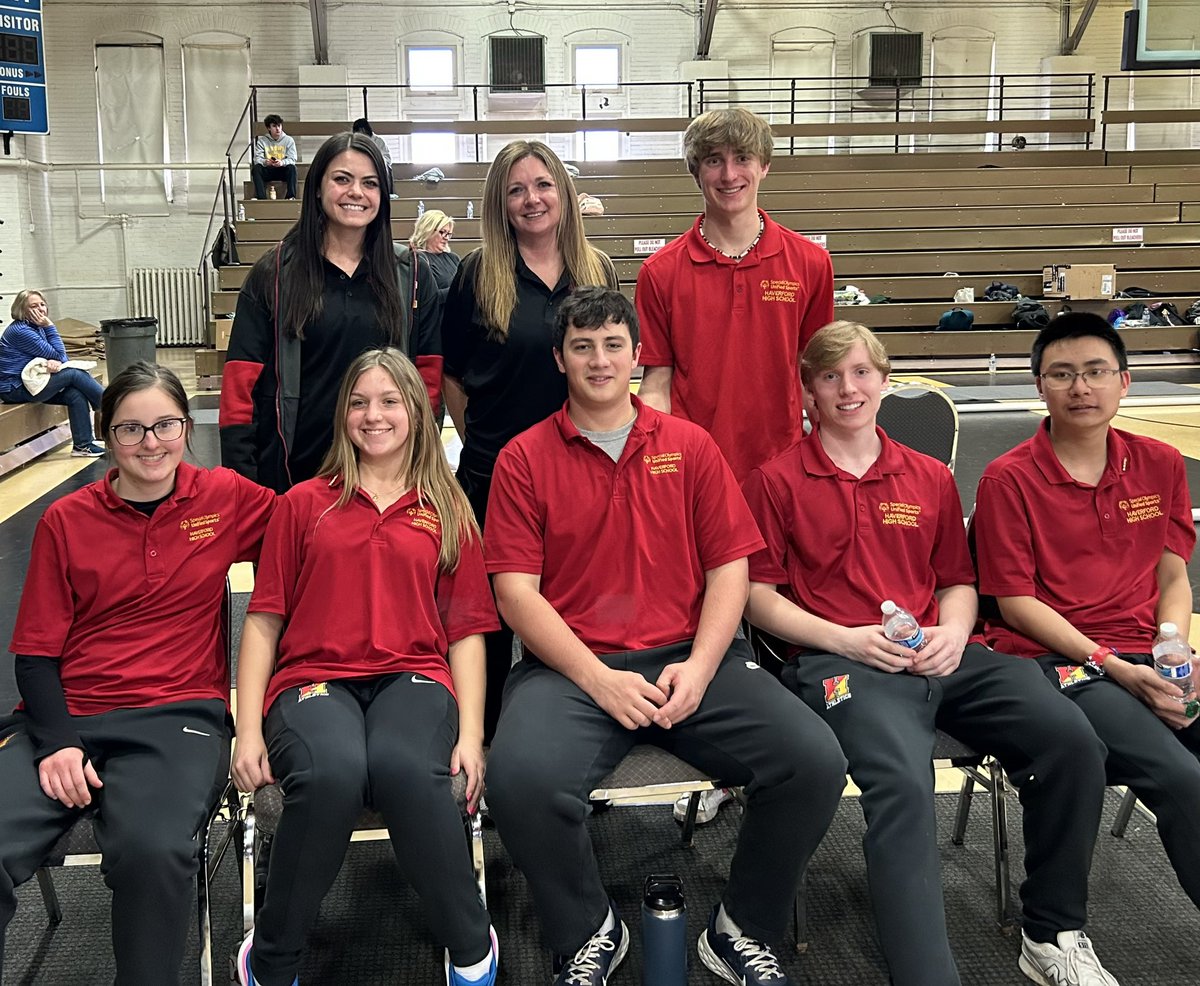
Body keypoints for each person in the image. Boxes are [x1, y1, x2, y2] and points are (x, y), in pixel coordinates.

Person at [483, 287, 846, 986]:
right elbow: (515, 595)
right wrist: (598, 678)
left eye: (613, 344)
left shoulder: (690, 446)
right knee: (519, 781)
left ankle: (743, 927)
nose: (599, 359)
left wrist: (704, 667)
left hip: (693, 658)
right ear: (559, 358)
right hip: (572, 670)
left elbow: (729, 571)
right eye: (582, 346)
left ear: (637, 354)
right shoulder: (525, 459)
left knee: (813, 761)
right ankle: (589, 929)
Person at [742, 321, 1118, 986]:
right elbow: (758, 599)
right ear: (807, 392)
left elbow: (958, 581)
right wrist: (845, 638)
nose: (847, 388)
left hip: (944, 651)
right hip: (841, 661)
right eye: (829, 377)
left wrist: (951, 631)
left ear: (885, 383)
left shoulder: (927, 477)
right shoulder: (774, 481)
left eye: (861, 373)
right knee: (907, 788)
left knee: (1072, 739)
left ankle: (1051, 932)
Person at [0, 361, 276, 982]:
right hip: (67, 718)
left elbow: (309, 527)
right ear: (107, 433)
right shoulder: (65, 522)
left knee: (152, 850)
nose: (150, 443)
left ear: (185, 427)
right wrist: (59, 743)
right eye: (130, 429)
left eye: (165, 425)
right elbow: (37, 656)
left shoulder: (223, 497)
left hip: (179, 717)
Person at [232, 348, 499, 986]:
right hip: (312, 681)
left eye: (388, 401)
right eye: (358, 402)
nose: (372, 415)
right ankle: (271, 959)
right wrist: (246, 729)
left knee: (407, 768)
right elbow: (264, 621)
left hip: (414, 675)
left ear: (417, 408)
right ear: (341, 414)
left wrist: (470, 733)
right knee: (332, 773)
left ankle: (472, 946)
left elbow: (465, 634)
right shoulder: (301, 505)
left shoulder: (450, 507)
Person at [974, 312, 1200, 919]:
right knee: (1181, 779)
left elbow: (1172, 574)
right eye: (1063, 375)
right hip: (1062, 662)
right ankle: (1048, 929)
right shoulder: (1008, 479)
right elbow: (1016, 604)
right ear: (1038, 386)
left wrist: (1174, 646)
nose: (1081, 388)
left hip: (1146, 652)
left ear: (1125, 382)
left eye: (1096, 372)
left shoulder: (1161, 463)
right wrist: (1114, 666)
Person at [441, 139, 618, 740]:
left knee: (573, 615)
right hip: (493, 477)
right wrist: (495, 450)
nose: (531, 199)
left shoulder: (598, 271)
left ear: (563, 195)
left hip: (582, 473)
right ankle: (481, 748)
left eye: (542, 185)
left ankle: (575, 743)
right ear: (500, 202)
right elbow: (453, 378)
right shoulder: (475, 273)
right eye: (516, 189)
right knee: (489, 623)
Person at [220, 130, 441, 493]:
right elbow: (238, 391)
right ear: (318, 189)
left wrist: (421, 461)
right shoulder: (274, 273)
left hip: (386, 479)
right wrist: (245, 487)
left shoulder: (412, 273)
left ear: (382, 196)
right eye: (342, 179)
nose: (356, 192)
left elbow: (428, 383)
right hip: (293, 477)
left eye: (370, 183)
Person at [636, 107, 835, 483]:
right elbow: (656, 384)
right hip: (695, 471)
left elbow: (818, 374)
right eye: (714, 160)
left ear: (764, 166)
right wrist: (658, 467)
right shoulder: (659, 272)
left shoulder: (811, 263)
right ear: (696, 172)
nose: (729, 175)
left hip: (783, 468)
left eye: (742, 158)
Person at [0, 289, 104, 456]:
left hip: (32, 381)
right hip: (14, 389)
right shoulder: (21, 331)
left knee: (75, 394)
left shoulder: (35, 327)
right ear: (22, 310)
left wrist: (52, 360)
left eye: (42, 304)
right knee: (74, 373)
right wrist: (50, 326)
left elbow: (58, 357)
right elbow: (61, 357)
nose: (41, 309)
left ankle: (83, 445)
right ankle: (109, 404)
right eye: (34, 306)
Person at [411, 209, 460, 306]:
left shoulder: (453, 258)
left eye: (448, 234)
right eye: (442, 232)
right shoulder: (417, 259)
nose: (446, 237)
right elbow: (428, 298)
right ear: (427, 231)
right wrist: (459, 289)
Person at [252, 114, 298, 200]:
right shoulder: (262, 141)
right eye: (274, 126)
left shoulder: (289, 140)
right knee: (256, 168)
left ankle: (290, 196)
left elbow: (292, 159)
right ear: (268, 128)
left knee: (292, 168)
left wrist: (282, 162)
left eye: (279, 126)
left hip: (282, 169)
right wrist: (265, 162)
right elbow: (257, 159)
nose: (277, 129)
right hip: (269, 169)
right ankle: (261, 197)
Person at [351, 117, 394, 195]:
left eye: (362, 131)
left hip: (377, 170)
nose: (361, 134)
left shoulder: (379, 141)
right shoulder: (354, 142)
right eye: (358, 132)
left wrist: (374, 160)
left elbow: (387, 160)